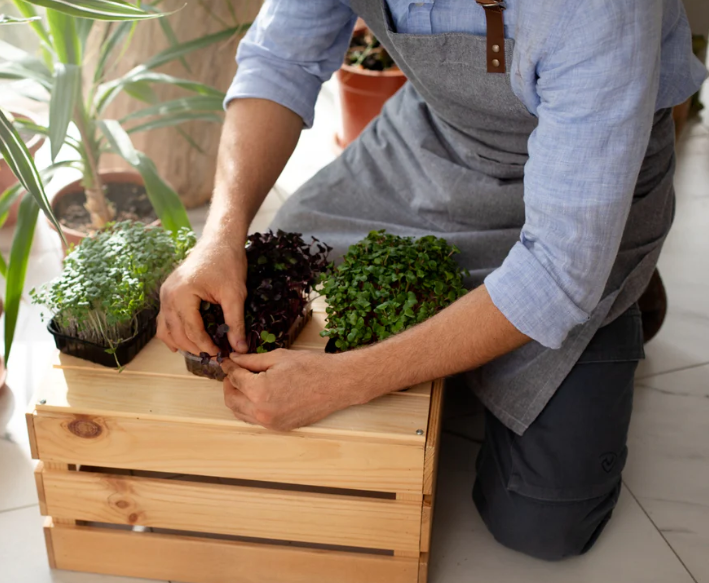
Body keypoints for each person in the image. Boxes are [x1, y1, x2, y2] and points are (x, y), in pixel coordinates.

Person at [157, 0, 706, 561]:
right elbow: (279, 61)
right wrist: (220, 235)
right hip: (437, 147)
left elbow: (558, 271)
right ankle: (488, 324)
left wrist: (342, 381)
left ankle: (625, 287)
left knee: (541, 523)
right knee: (295, 258)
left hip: (589, 187)